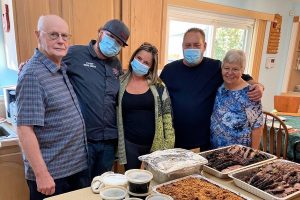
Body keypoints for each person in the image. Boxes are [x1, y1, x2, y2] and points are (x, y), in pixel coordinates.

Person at [16, 15, 89, 200]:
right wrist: (41, 175)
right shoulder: (32, 75)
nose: (60, 41)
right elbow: (25, 129)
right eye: (53, 35)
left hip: (74, 169)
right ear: (37, 35)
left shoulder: (59, 67)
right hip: (53, 176)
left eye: (65, 36)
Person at [160, 28, 264, 151]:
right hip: (174, 140)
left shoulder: (215, 67)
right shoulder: (169, 70)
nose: (192, 48)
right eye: (188, 45)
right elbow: (157, 96)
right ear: (182, 46)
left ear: (204, 46)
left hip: (205, 143)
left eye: (196, 45)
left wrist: (258, 86)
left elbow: (240, 76)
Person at [63, 19, 130, 179]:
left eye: (119, 42)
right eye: (111, 37)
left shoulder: (115, 63)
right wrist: (29, 63)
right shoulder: (74, 53)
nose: (114, 44)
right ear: (100, 32)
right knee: (81, 188)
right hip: (84, 141)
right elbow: (50, 62)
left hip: (109, 141)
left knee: (103, 186)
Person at [117, 42, 175, 170]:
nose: (141, 63)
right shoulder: (119, 83)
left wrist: (169, 145)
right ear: (133, 57)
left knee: (153, 182)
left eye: (146, 63)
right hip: (129, 144)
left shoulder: (159, 86)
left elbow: (167, 117)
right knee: (134, 181)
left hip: (155, 145)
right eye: (139, 59)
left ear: (151, 67)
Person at [210, 49, 263, 149]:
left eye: (235, 69)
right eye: (226, 68)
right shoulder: (220, 88)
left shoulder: (250, 93)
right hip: (215, 150)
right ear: (222, 68)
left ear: (242, 70)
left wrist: (253, 153)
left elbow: (257, 127)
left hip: (240, 154)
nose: (230, 73)